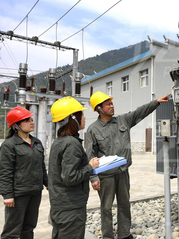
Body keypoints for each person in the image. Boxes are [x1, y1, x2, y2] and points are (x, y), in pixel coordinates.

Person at [86, 91, 170, 239]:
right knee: (106, 207)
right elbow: (90, 156)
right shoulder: (93, 129)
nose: (112, 106)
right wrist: (93, 178)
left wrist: (156, 102)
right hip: (106, 176)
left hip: (123, 172)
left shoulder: (123, 120)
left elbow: (140, 112)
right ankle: (107, 236)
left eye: (112, 103)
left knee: (124, 204)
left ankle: (124, 234)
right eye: (108, 104)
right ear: (99, 108)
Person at [48, 96, 99, 239]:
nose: (84, 117)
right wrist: (90, 166)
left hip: (60, 204)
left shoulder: (59, 141)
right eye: (81, 114)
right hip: (71, 207)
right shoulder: (71, 143)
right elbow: (70, 177)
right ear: (73, 118)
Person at [0, 106, 48, 239]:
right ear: (16, 125)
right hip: (18, 194)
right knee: (12, 230)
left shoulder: (36, 142)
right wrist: (7, 195)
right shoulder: (9, 145)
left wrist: (47, 183)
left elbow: (41, 166)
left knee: (29, 228)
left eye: (32, 119)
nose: (32, 122)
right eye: (27, 120)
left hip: (35, 192)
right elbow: (5, 171)